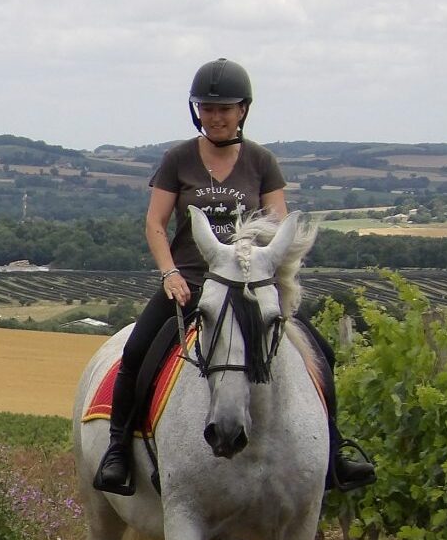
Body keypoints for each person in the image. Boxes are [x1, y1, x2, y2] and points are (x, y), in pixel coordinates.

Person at [92, 58, 376, 496]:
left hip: (247, 286)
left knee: (320, 354)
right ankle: (119, 452)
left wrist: (268, 283)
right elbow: (155, 224)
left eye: (225, 108)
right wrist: (168, 273)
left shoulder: (262, 161)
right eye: (207, 107)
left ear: (243, 110)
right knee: (136, 353)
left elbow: (278, 227)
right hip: (189, 282)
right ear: (196, 111)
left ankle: (334, 452)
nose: (216, 116)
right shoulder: (177, 160)